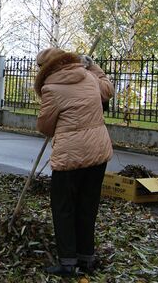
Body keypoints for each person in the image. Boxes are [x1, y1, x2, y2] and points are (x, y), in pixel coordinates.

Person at [34, 48, 114, 276]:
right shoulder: (88, 76)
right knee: (87, 207)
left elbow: (45, 127)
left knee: (64, 209)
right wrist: (93, 66)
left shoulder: (51, 88)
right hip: (98, 154)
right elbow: (107, 90)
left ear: (46, 68)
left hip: (70, 157)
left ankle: (68, 263)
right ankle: (86, 258)